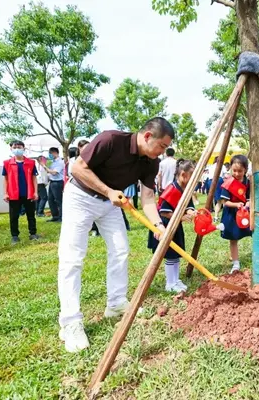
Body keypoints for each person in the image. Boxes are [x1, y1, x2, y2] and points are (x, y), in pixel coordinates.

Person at [57, 117, 174, 352]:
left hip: (110, 204)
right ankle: (70, 322)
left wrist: (159, 225)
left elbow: (148, 198)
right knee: (72, 259)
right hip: (80, 197)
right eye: (162, 146)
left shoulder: (150, 162)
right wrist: (108, 190)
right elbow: (77, 168)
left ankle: (116, 303)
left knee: (121, 249)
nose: (163, 152)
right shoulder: (111, 139)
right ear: (148, 136)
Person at [147, 159, 196, 293]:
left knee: (176, 253)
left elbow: (189, 205)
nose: (194, 181)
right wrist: (181, 217)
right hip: (166, 225)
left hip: (175, 226)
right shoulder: (171, 189)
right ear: (183, 175)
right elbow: (164, 212)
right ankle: (170, 283)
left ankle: (175, 279)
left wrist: (191, 211)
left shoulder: (185, 190)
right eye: (192, 177)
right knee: (170, 254)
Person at [219, 155, 252, 274]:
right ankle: (235, 263)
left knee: (254, 232)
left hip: (244, 213)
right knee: (233, 239)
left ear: (245, 170)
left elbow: (249, 197)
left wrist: (248, 203)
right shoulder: (229, 183)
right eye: (234, 170)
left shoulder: (248, 182)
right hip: (231, 215)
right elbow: (224, 202)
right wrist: (236, 204)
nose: (237, 173)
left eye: (240, 171)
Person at [2, 140, 40, 244]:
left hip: (28, 193)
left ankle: (33, 233)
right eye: (15, 147)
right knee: (13, 216)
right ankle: (14, 236)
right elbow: (5, 179)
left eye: (19, 147)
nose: (17, 149)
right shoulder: (7, 163)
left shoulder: (31, 163)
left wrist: (35, 192)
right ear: (11, 148)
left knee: (31, 215)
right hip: (14, 194)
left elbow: (34, 178)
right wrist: (5, 193)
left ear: (24, 149)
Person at [40, 147, 64, 222]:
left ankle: (61, 217)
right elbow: (48, 171)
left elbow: (54, 172)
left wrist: (44, 166)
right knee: (51, 200)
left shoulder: (60, 162)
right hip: (52, 182)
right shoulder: (52, 162)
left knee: (58, 200)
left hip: (58, 182)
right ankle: (55, 216)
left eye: (51, 153)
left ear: (55, 153)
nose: (50, 155)